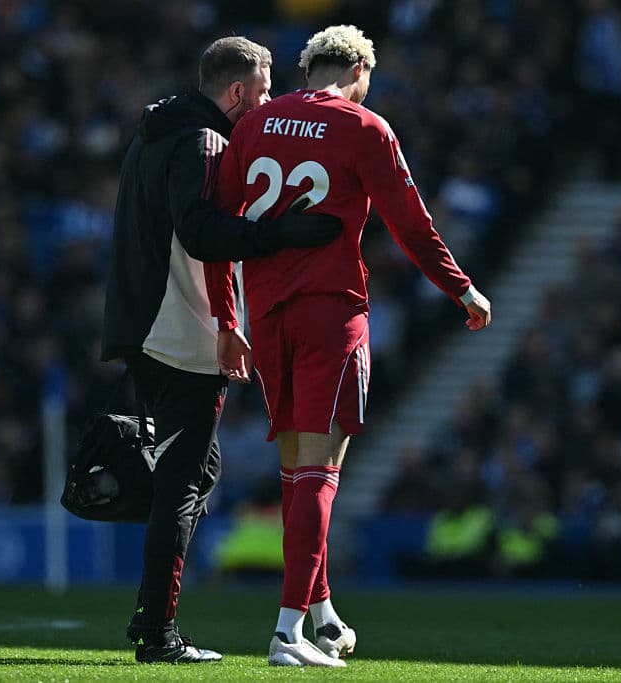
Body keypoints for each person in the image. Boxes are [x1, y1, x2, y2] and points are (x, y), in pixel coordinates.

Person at [207, 24, 493, 668]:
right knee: (321, 470)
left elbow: (216, 229)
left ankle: (323, 612)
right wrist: (462, 290)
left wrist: (230, 319)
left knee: (296, 473)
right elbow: (410, 223)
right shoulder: (365, 127)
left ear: (307, 69)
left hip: (268, 314)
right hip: (331, 310)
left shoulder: (255, 123)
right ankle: (287, 630)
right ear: (361, 72)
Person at [100, 36, 342, 665]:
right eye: (261, 93)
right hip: (177, 332)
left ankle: (150, 611)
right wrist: (281, 233)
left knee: (192, 473)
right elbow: (200, 230)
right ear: (237, 93)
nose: (265, 106)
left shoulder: (155, 129)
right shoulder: (205, 141)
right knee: (182, 483)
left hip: (144, 321)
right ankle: (159, 634)